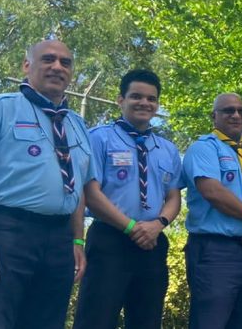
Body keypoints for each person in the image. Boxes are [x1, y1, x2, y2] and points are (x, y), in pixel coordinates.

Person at [0, 39, 93, 329]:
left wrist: (77, 240)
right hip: (8, 233)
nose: (57, 67)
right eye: (48, 59)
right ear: (27, 65)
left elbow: (76, 187)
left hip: (59, 239)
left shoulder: (77, 125)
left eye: (65, 62)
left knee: (46, 322)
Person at [74, 69, 183, 329]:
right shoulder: (99, 138)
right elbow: (90, 193)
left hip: (152, 242)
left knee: (147, 319)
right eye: (136, 96)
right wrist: (132, 227)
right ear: (120, 100)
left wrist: (158, 224)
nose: (144, 103)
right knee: (96, 318)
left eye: (151, 99)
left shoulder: (166, 149)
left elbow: (174, 196)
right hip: (110, 239)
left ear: (157, 105)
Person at [182, 93, 242, 329]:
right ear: (214, 116)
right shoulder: (203, 148)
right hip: (216, 250)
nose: (235, 115)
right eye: (227, 111)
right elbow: (213, 192)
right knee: (211, 322)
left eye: (240, 111)